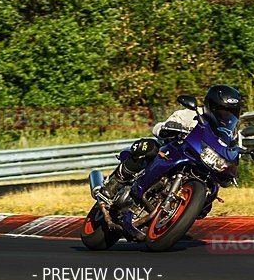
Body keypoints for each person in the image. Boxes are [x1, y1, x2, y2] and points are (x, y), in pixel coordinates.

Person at [101, 84, 245, 197]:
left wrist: (230, 169)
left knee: (211, 195)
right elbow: (158, 129)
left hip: (202, 166)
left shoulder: (233, 136)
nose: (226, 117)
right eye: (222, 111)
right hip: (170, 153)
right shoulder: (190, 115)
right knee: (147, 146)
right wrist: (167, 129)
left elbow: (233, 157)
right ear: (210, 106)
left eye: (231, 113)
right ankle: (115, 183)